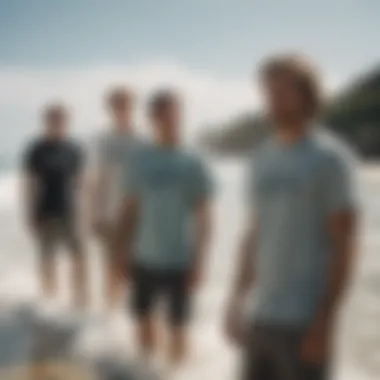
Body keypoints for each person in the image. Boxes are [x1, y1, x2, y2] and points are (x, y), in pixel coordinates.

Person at [224, 54, 358, 380]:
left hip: (304, 323)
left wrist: (325, 322)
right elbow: (254, 235)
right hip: (261, 317)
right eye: (268, 93)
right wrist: (236, 301)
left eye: (282, 92)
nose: (272, 101)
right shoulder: (260, 158)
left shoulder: (331, 160)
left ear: (307, 95)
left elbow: (345, 246)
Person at [113, 90, 213, 368]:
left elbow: (205, 217)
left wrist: (201, 261)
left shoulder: (193, 160)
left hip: (180, 259)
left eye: (173, 113)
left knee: (178, 327)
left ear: (180, 115)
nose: (169, 119)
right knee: (142, 320)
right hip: (144, 257)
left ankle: (176, 373)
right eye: (162, 114)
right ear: (152, 119)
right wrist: (120, 254)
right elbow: (128, 212)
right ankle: (146, 372)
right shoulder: (140, 160)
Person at [22, 103, 88, 310]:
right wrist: (30, 214)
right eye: (53, 119)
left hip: (71, 212)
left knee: (79, 257)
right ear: (47, 122)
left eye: (61, 119)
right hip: (45, 211)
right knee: (47, 258)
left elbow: (81, 184)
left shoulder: (74, 149)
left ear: (66, 122)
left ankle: (79, 300)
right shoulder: (36, 150)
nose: (57, 123)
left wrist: (85, 213)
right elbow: (30, 185)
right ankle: (49, 302)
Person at [90, 86, 138, 312]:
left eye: (126, 105)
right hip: (110, 215)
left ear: (133, 107)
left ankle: (136, 321)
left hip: (139, 216)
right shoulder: (104, 142)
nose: (122, 110)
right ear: (111, 110)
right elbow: (98, 180)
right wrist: (94, 214)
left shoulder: (143, 141)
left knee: (135, 270)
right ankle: (111, 318)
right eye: (118, 106)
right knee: (110, 270)